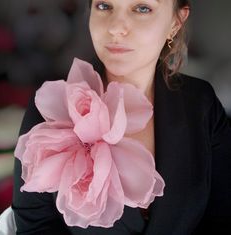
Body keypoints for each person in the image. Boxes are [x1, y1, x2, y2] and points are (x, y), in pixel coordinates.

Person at [12, 0, 231, 234]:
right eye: (104, 6)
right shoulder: (50, 107)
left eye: (142, 8)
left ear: (176, 22)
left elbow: (222, 217)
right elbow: (34, 227)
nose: (116, 27)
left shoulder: (200, 104)